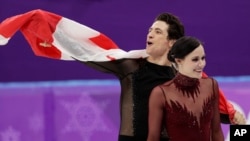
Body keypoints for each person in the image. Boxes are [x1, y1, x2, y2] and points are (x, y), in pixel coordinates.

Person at [0, 10, 246, 141]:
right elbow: (85, 49)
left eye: (157, 31)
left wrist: (240, 123)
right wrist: (38, 22)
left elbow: (229, 118)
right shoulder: (131, 67)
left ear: (172, 42)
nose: (150, 34)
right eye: (150, 29)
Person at [147, 36, 224, 141]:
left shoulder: (211, 85)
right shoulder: (161, 93)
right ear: (179, 61)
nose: (201, 64)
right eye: (195, 59)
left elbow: (216, 131)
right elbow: (153, 138)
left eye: (203, 58)